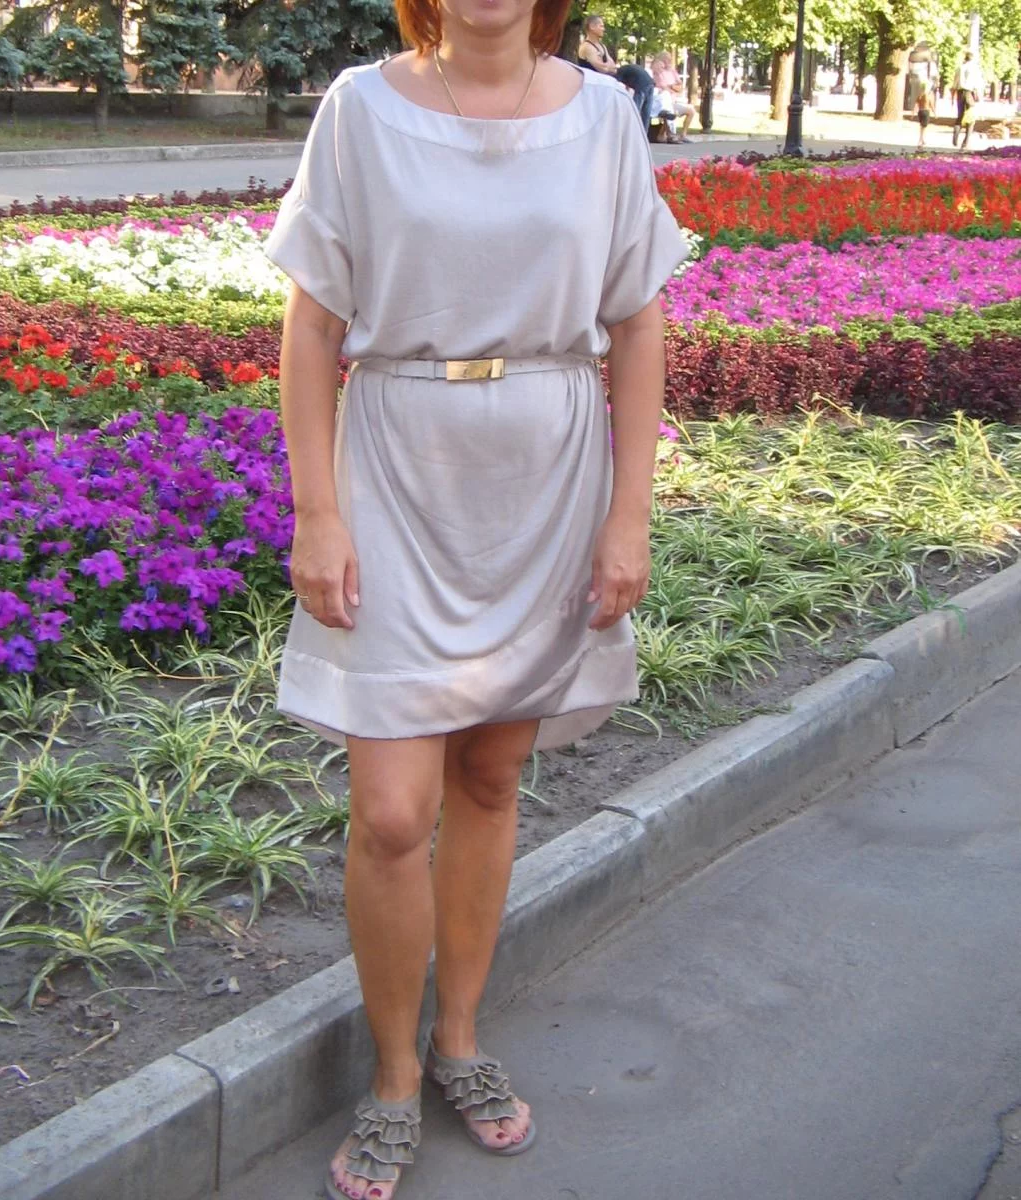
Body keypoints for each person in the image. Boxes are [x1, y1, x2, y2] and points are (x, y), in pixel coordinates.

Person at [262, 0, 687, 1193]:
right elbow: (312, 326)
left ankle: (456, 1041)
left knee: (493, 776)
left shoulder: (604, 117)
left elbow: (638, 322)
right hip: (398, 465)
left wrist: (629, 515)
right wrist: (317, 511)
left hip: (548, 472)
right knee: (395, 812)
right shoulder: (361, 109)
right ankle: (392, 1075)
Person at [577, 13, 654, 129]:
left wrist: (605, 65)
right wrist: (606, 66)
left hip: (601, 88)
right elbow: (602, 68)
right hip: (591, 90)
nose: (603, 29)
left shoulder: (601, 46)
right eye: (601, 26)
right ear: (592, 27)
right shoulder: (587, 47)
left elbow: (613, 67)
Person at [652, 50, 695, 141]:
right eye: (667, 59)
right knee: (670, 112)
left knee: (691, 111)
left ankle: (683, 135)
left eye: (670, 59)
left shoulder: (672, 71)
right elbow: (663, 88)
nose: (670, 61)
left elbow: (680, 87)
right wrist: (673, 87)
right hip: (663, 102)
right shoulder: (658, 72)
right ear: (662, 60)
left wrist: (671, 86)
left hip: (673, 101)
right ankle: (665, 135)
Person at [951, 50, 982, 147]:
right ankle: (965, 142)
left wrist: (952, 96)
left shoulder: (960, 67)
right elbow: (977, 84)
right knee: (970, 118)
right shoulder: (975, 68)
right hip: (969, 93)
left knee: (960, 116)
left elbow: (954, 84)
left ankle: (955, 137)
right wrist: (978, 96)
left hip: (960, 93)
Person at [916, 83, 930, 149]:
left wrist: (913, 113)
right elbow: (931, 104)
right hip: (926, 111)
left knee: (922, 127)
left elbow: (916, 104)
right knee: (924, 127)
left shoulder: (919, 96)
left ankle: (922, 139)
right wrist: (935, 113)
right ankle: (920, 140)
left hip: (920, 111)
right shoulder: (927, 96)